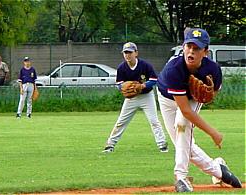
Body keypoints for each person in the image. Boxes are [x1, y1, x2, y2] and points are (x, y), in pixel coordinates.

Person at [156, 28, 242, 192]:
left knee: (182, 125)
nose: (191, 52)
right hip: (166, 98)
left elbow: (211, 95)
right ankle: (219, 170)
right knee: (183, 143)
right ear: (183, 47)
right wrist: (213, 133)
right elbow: (186, 110)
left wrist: (206, 96)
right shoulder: (174, 69)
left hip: (192, 99)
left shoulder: (213, 70)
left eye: (196, 48)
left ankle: (180, 177)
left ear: (205, 52)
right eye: (188, 47)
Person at [103, 42, 168, 153]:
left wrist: (142, 86)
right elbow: (119, 84)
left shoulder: (145, 65)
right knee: (121, 122)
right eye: (125, 53)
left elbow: (154, 80)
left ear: (136, 53)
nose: (127, 55)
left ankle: (162, 145)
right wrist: (124, 87)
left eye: (130, 52)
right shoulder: (122, 67)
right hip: (131, 99)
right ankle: (110, 145)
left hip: (146, 96)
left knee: (154, 121)